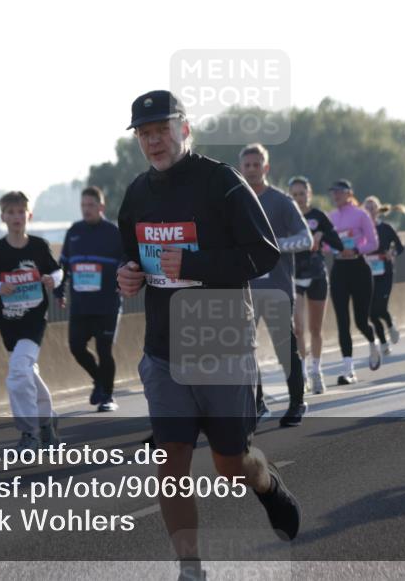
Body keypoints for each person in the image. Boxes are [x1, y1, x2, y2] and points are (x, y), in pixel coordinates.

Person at [116, 90, 301, 580]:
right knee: (170, 460)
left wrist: (194, 263)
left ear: (184, 128)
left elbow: (264, 253)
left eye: (162, 129)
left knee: (230, 465)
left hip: (222, 344)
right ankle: (190, 569)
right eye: (144, 133)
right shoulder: (136, 194)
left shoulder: (222, 182)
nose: (154, 141)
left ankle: (267, 484)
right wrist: (127, 275)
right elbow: (130, 257)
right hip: (163, 351)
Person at [0, 191, 63, 451]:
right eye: (11, 212)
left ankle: (29, 433)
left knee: (18, 370)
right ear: (3, 217)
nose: (17, 217)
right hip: (9, 323)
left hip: (35, 321)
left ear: (29, 215)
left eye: (21, 212)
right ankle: (47, 421)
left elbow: (57, 271)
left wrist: (53, 280)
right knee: (27, 371)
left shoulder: (39, 246)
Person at [239, 144, 313, 427]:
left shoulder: (282, 202)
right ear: (241, 169)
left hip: (277, 289)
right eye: (247, 165)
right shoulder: (236, 201)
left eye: (256, 165)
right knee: (243, 350)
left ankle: (297, 402)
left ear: (266, 167)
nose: (252, 170)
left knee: (285, 349)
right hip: (245, 290)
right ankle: (258, 403)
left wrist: (273, 245)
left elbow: (306, 239)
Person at [56, 186, 123, 412]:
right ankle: (99, 381)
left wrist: (123, 283)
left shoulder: (114, 233)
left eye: (91, 205)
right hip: (81, 305)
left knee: (104, 351)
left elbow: (127, 262)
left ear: (101, 206)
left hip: (107, 304)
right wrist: (59, 291)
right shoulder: (74, 231)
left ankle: (108, 397)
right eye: (83, 205)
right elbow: (64, 265)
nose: (86, 209)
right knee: (76, 347)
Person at [288, 176, 344, 395]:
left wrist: (323, 234)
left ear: (309, 194)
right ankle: (302, 373)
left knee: (315, 329)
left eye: (302, 194)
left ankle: (316, 371)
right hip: (294, 276)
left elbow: (338, 244)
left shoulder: (318, 216)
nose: (299, 198)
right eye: (294, 194)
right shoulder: (287, 216)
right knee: (297, 328)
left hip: (317, 275)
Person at [326, 179, 381, 384]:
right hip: (339, 269)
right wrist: (333, 248)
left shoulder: (361, 215)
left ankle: (372, 340)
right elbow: (325, 245)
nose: (336, 195)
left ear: (349, 193)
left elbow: (374, 242)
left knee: (360, 321)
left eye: (340, 192)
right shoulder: (330, 217)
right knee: (342, 321)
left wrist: (356, 249)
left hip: (359, 268)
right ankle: (349, 370)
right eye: (333, 192)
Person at [362, 196, 405, 356]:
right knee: (371, 313)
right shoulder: (361, 230)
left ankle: (390, 324)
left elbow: (400, 247)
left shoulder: (386, 228)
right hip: (366, 274)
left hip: (384, 273)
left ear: (378, 210)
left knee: (380, 308)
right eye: (367, 207)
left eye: (372, 207)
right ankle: (383, 342)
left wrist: (391, 253)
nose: (370, 210)